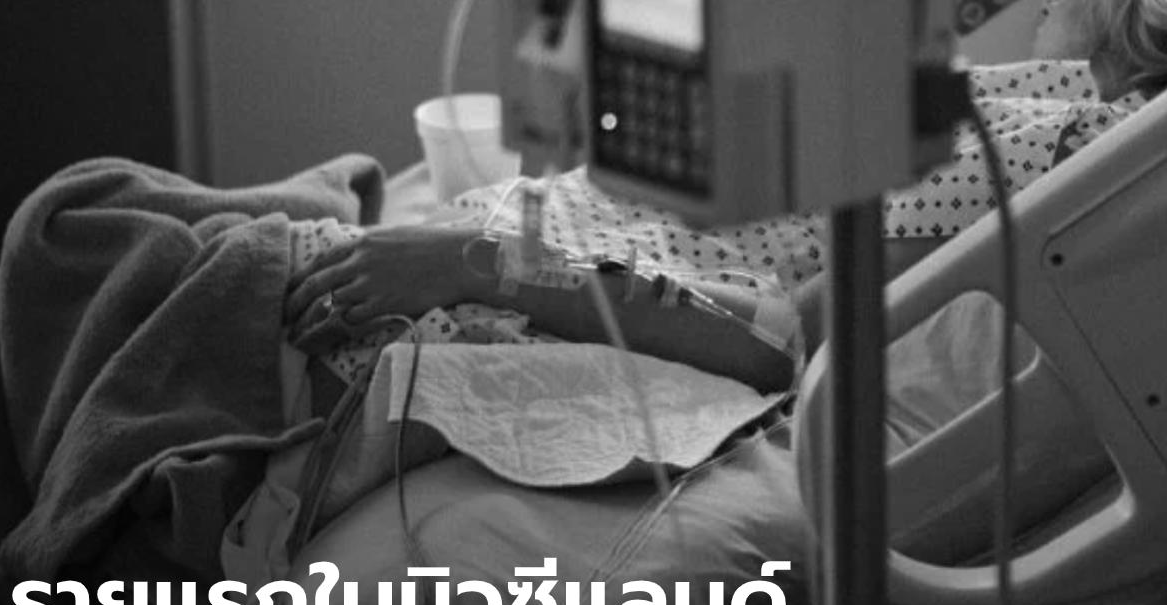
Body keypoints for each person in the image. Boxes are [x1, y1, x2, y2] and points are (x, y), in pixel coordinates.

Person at [285, 0, 1167, 397]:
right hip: (543, 232)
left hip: (526, 286)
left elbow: (781, 338)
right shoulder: (1039, 101)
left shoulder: (1066, 147)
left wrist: (485, 265)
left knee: (243, 289)